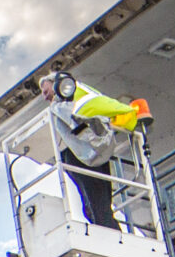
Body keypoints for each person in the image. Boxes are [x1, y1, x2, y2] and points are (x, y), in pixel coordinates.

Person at [43, 71, 150, 229]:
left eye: (46, 91)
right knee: (98, 202)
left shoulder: (61, 106)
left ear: (57, 85)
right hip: (92, 153)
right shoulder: (74, 102)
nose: (45, 97)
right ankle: (111, 232)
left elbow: (77, 125)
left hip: (83, 155)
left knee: (98, 202)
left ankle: (110, 234)